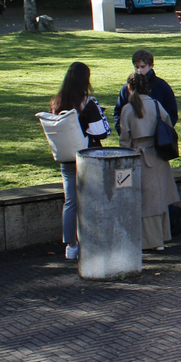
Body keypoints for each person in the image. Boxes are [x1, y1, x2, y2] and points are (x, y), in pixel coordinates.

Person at [48, 62, 111, 261]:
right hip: (89, 157)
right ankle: (93, 240)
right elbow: (101, 131)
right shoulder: (88, 103)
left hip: (66, 158)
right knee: (94, 199)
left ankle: (71, 245)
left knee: (71, 202)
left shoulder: (56, 102)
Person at [117, 71, 180, 251]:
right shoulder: (156, 104)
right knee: (159, 197)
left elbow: (125, 139)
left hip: (138, 156)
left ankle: (149, 240)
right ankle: (161, 237)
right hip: (158, 155)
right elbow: (168, 123)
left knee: (145, 200)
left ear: (129, 88)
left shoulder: (128, 109)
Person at [115, 50, 180, 128]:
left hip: (156, 135)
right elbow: (119, 112)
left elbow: (171, 113)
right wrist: (122, 131)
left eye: (143, 67)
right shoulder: (127, 87)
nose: (139, 70)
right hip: (133, 134)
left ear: (151, 65)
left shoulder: (161, 86)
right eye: (136, 67)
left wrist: (162, 133)